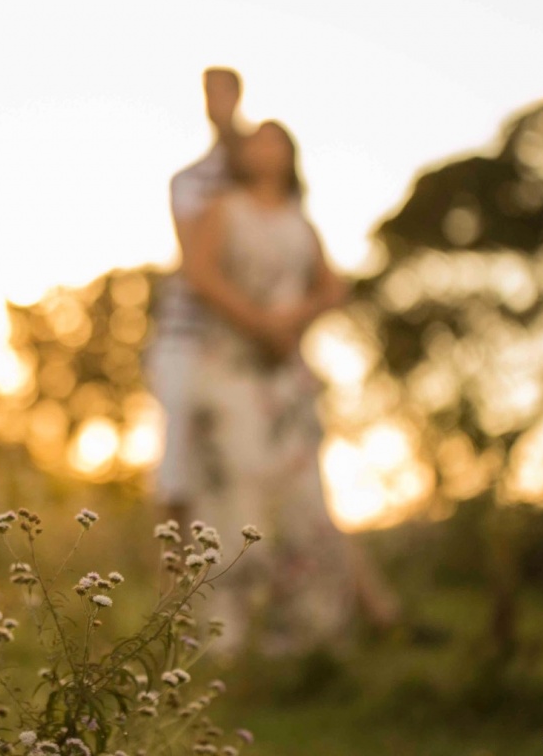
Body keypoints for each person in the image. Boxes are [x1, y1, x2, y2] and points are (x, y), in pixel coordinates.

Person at [182, 120, 400, 657]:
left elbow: (334, 288)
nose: (265, 148)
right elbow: (200, 275)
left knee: (303, 499)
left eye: (276, 140)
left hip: (286, 378)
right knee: (236, 493)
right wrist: (259, 323)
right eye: (257, 140)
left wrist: (294, 320)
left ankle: (308, 640)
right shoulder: (223, 209)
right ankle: (225, 642)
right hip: (232, 372)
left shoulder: (301, 223)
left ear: (291, 156)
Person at [148, 67, 243, 532]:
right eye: (209, 93)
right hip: (188, 336)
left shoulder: (268, 170)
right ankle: (173, 573)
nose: (214, 102)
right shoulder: (189, 180)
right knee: (179, 467)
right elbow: (198, 268)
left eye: (222, 92)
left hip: (251, 344)